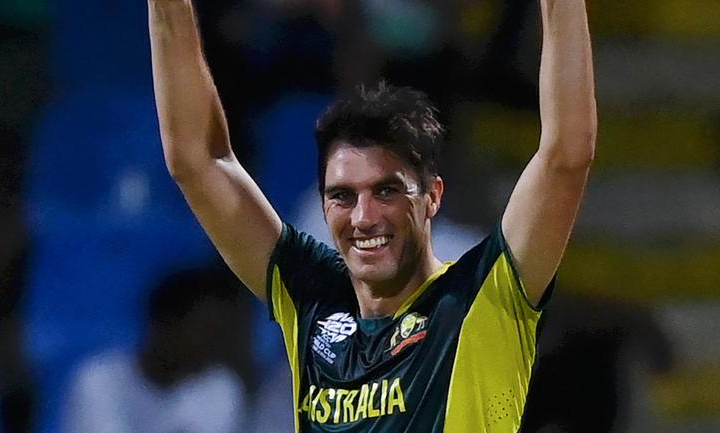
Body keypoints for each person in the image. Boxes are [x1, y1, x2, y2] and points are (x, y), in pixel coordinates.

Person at [147, 0, 596, 431]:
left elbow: (567, 155)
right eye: (342, 196)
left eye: (386, 191)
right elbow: (197, 160)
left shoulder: (482, 296)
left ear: (431, 197)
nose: (364, 217)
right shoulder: (312, 300)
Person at [64, 266, 258, 433]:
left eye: (216, 335)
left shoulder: (221, 388)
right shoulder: (96, 379)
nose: (209, 346)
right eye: (203, 332)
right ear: (166, 325)